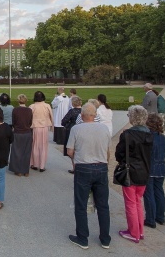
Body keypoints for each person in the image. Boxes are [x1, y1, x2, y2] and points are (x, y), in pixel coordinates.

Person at [66, 103, 112, 250]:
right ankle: (105, 239)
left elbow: (69, 151)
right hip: (101, 166)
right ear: (95, 115)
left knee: (81, 204)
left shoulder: (76, 129)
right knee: (103, 205)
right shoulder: (104, 128)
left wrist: (76, 158)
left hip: (83, 167)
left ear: (82, 115)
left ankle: (82, 237)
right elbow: (107, 150)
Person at [115, 105, 153, 243]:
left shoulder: (128, 135)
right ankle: (139, 231)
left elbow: (119, 154)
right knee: (138, 201)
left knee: (131, 203)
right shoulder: (149, 134)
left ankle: (134, 232)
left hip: (131, 172)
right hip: (144, 171)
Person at [143, 113, 165, 229]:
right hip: (161, 167)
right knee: (159, 191)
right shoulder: (162, 137)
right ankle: (160, 217)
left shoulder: (148, 137)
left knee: (149, 193)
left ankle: (150, 219)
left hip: (150, 168)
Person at [8, 94, 33, 176]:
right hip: (27, 132)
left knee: (17, 151)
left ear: (18, 101)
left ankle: (18, 170)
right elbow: (30, 122)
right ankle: (25, 171)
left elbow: (13, 121)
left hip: (18, 132)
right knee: (26, 152)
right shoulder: (29, 110)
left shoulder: (15, 110)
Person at [29, 91, 53, 172]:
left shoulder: (32, 106)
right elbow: (51, 117)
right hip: (44, 127)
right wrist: (52, 127)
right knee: (43, 147)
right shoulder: (47, 106)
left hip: (35, 127)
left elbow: (29, 118)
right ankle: (42, 166)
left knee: (35, 145)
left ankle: (35, 164)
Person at [62, 96, 82, 174]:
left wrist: (68, 125)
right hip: (82, 129)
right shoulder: (84, 110)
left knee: (71, 149)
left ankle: (75, 167)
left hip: (72, 129)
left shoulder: (72, 111)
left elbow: (63, 121)